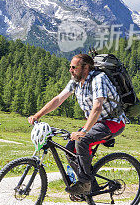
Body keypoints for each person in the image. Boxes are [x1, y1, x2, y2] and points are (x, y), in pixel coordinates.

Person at [27, 53, 126, 195]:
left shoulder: (99, 79)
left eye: (74, 67)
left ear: (86, 68)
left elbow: (97, 107)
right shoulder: (76, 81)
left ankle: (84, 184)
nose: (70, 70)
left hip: (113, 122)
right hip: (95, 123)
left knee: (82, 141)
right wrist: (38, 115)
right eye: (70, 67)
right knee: (70, 150)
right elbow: (58, 99)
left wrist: (84, 131)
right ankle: (91, 187)